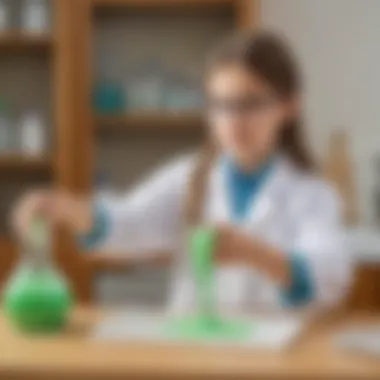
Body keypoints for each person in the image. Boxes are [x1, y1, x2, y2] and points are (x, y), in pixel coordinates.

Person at [12, 31, 352, 313]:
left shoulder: (312, 195)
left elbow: (328, 276)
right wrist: (64, 209)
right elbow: (130, 222)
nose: (233, 120)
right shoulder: (190, 177)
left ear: (290, 106)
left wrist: (256, 254)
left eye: (250, 104)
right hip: (193, 354)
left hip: (271, 359)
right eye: (221, 105)